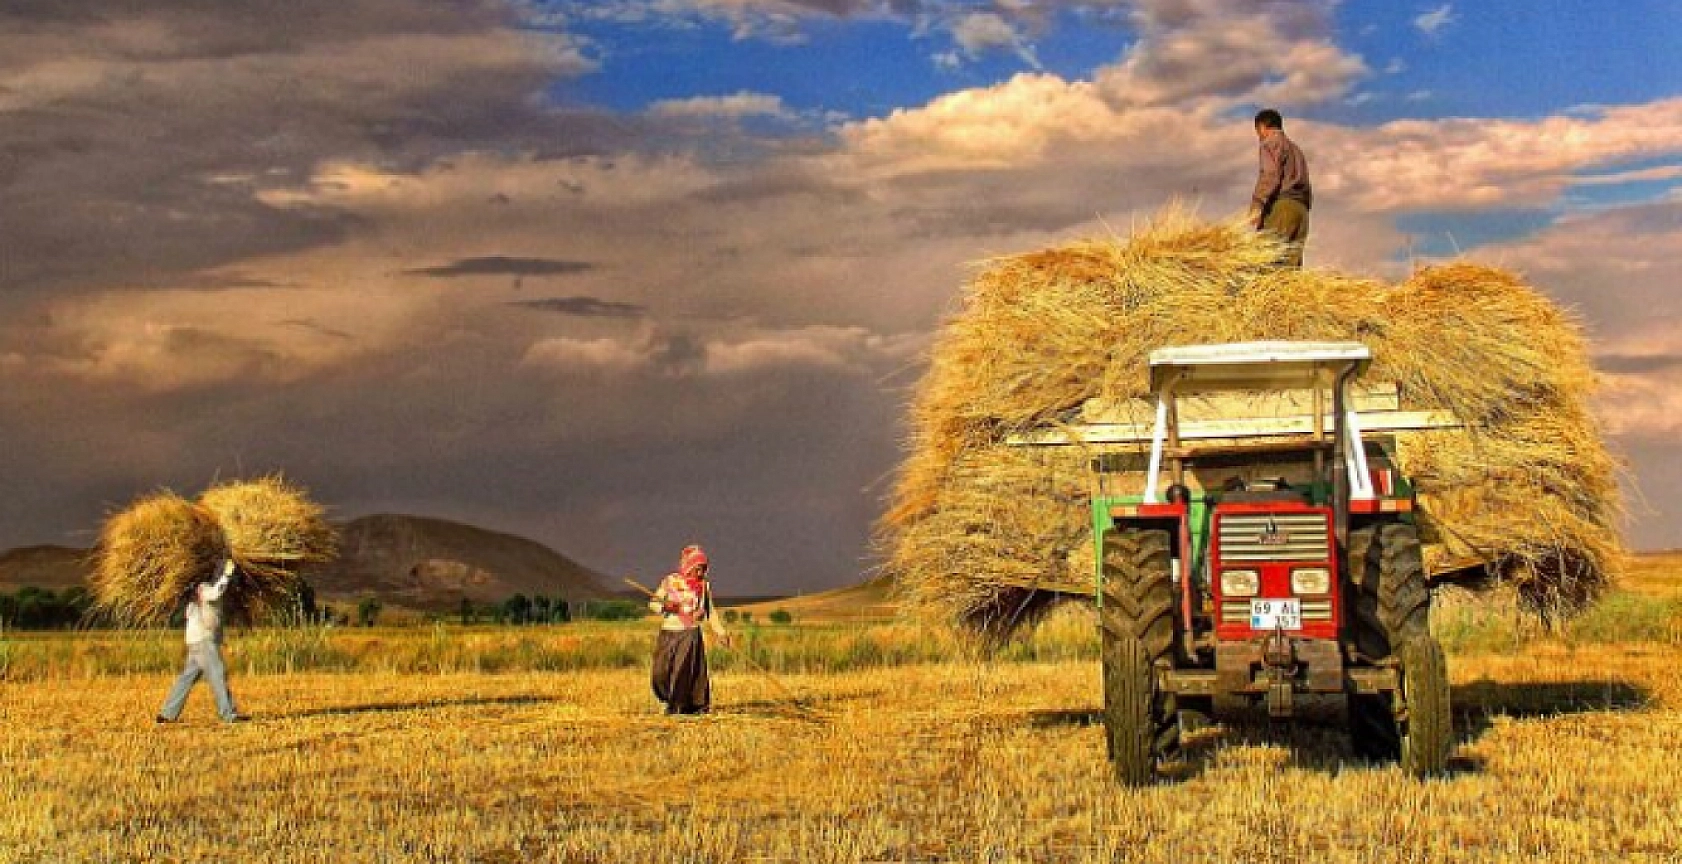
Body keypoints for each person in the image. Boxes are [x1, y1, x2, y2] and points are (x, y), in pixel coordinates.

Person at [156, 558, 247, 724]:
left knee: (187, 677)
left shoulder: (193, 600)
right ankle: (228, 714)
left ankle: (167, 714)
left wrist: (223, 643)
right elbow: (216, 592)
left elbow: (209, 619)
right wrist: (227, 574)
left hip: (197, 642)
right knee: (217, 673)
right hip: (203, 642)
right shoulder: (204, 589)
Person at [648, 544, 729, 715]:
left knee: (681, 674)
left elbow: (710, 611)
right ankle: (668, 699)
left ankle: (677, 707)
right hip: (668, 632)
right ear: (688, 566)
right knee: (660, 673)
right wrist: (668, 607)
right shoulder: (670, 581)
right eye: (697, 568)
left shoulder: (704, 587)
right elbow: (654, 604)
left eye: (703, 569)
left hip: (690, 634)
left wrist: (721, 632)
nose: (700, 573)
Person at [1249, 108, 1313, 268]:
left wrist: (1257, 204)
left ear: (1262, 127)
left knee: (1269, 266)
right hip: (1301, 212)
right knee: (1289, 272)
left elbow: (1270, 174)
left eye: (1258, 132)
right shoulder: (1296, 150)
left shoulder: (1271, 142)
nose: (1259, 137)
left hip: (1283, 208)